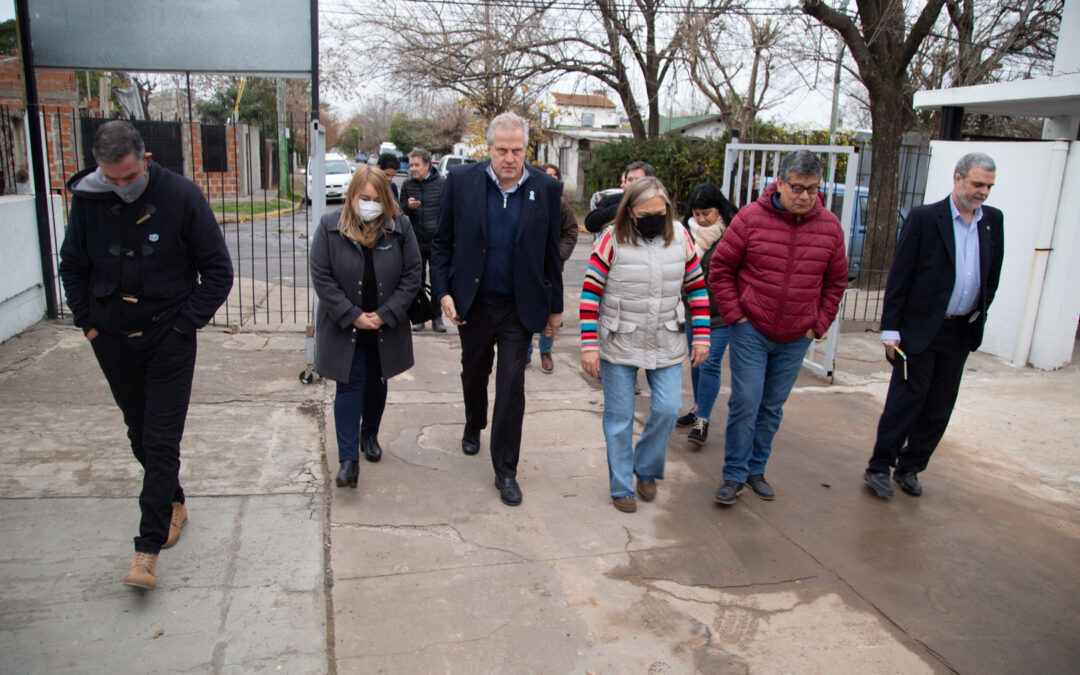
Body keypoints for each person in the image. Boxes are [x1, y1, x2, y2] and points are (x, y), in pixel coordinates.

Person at [58, 120, 233, 590]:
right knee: (138, 432)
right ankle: (173, 500)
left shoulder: (182, 197)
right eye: (111, 179)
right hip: (111, 340)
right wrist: (88, 322)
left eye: (129, 178)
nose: (120, 188)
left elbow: (217, 271)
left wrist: (183, 325)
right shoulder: (88, 199)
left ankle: (147, 550)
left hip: (167, 340)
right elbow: (71, 266)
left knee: (160, 441)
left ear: (146, 160)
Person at [429, 112, 565, 507]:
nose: (509, 157)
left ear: (527, 150)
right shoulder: (461, 183)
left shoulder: (547, 189)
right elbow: (441, 244)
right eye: (502, 150)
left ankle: (505, 470)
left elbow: (550, 255)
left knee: (511, 386)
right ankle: (475, 422)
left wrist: (554, 308)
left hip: (518, 308)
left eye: (517, 150)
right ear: (488, 149)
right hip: (472, 303)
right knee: (474, 373)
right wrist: (443, 293)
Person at [709, 149, 847, 505]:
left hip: (797, 335)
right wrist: (736, 316)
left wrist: (818, 325)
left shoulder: (830, 227)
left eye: (813, 189)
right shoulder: (750, 218)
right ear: (780, 183)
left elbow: (836, 282)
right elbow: (721, 269)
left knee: (771, 406)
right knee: (746, 400)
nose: (804, 196)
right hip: (751, 329)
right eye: (798, 188)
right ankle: (734, 474)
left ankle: (757, 470)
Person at [864, 152, 1004, 499]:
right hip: (918, 331)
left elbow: (992, 274)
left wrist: (978, 312)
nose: (982, 192)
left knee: (940, 404)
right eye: (977, 184)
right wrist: (891, 330)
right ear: (957, 179)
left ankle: (911, 467)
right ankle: (880, 466)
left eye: (988, 186)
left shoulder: (993, 221)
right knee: (907, 399)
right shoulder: (926, 218)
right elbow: (900, 277)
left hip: (959, 332)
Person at [580, 177, 710, 512]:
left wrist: (703, 335)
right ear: (630, 211)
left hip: (666, 336)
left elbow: (696, 287)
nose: (654, 219)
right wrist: (589, 344)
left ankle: (647, 468)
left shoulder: (681, 236)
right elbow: (590, 294)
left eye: (659, 213)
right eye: (645, 213)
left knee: (667, 409)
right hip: (619, 338)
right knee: (619, 418)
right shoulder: (612, 239)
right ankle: (621, 485)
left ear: (668, 210)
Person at [310, 166, 422, 490]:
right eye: (364, 198)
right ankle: (348, 461)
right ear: (352, 196)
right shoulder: (330, 226)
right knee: (349, 384)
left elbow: (412, 274)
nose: (369, 204)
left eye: (376, 199)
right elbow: (322, 276)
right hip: (346, 326)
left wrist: (387, 313)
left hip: (385, 325)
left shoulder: (399, 227)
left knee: (376, 382)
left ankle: (369, 432)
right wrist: (351, 314)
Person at [675, 183, 740, 446]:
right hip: (693, 310)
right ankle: (697, 406)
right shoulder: (685, 233)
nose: (702, 219)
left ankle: (703, 419)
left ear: (719, 209)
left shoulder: (732, 233)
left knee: (711, 363)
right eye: (697, 214)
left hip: (721, 313)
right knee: (696, 361)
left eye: (707, 214)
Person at [525, 162, 578, 373]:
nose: (551, 179)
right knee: (525, 308)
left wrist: (557, 256)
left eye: (555, 175)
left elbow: (571, 232)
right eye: (547, 175)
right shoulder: (526, 200)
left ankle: (546, 351)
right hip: (527, 266)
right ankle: (525, 351)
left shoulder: (560, 203)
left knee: (549, 309)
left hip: (551, 268)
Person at [399, 147, 446, 333]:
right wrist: (408, 207)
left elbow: (448, 212)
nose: (413, 168)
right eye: (411, 165)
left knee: (437, 279)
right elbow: (400, 212)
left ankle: (437, 317)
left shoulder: (441, 184)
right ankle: (419, 317)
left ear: (427, 165)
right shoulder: (408, 185)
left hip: (436, 241)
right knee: (415, 280)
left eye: (417, 165)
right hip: (415, 241)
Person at [584, 161, 655, 234]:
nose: (633, 183)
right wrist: (622, 209)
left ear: (649, 182)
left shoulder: (658, 202)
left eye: (638, 180)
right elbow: (590, 223)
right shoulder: (612, 200)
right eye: (630, 180)